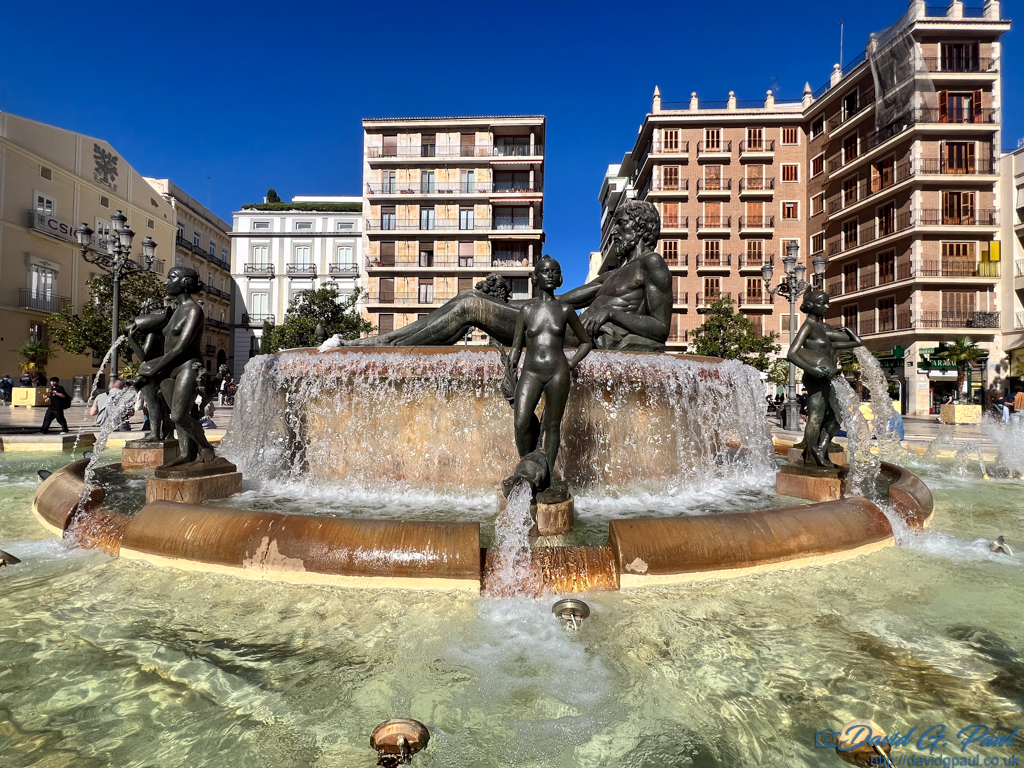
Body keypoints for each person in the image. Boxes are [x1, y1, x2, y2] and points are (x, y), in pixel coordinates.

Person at [332, 199, 672, 351]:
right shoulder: (613, 274)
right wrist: (510, 307)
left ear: (641, 228)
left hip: (577, 337)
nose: (615, 234)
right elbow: (561, 300)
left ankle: (384, 345)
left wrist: (612, 314)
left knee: (470, 306)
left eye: (622, 226)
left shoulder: (652, 264)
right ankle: (385, 343)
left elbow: (660, 329)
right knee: (474, 299)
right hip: (562, 325)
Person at [505, 256, 593, 474]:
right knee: (521, 422)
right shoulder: (526, 310)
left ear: (560, 278)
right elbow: (517, 346)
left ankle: (548, 475)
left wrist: (571, 363)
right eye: (545, 271)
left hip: (557, 373)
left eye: (555, 271)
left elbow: (586, 342)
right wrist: (509, 367)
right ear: (535, 278)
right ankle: (528, 468)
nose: (551, 275)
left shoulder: (565, 310)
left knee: (553, 426)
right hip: (531, 372)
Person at [137, 266, 216, 466]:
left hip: (188, 367)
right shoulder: (174, 312)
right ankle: (187, 454)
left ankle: (206, 446)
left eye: (171, 278)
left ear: (185, 283)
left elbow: (181, 347)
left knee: (179, 415)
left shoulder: (194, 310)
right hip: (169, 369)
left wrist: (153, 370)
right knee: (176, 415)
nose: (166, 282)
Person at [787, 290, 864, 467]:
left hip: (829, 376)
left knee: (838, 414)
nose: (827, 306)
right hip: (816, 376)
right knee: (816, 417)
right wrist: (811, 369)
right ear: (811, 305)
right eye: (822, 303)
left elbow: (857, 343)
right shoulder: (808, 326)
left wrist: (847, 330)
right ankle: (811, 459)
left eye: (827, 303)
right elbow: (791, 353)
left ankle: (820, 449)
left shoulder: (821, 328)